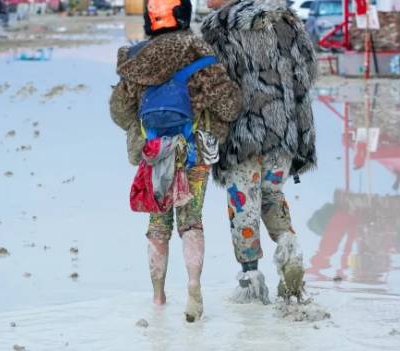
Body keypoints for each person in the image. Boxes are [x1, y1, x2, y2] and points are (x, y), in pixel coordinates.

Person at [110, 0, 241, 322]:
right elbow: (228, 106)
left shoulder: (135, 58)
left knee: (157, 224)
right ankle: (194, 288)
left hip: (154, 154)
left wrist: (143, 132)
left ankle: (157, 298)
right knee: (192, 220)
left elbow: (119, 112)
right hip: (194, 150)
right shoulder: (200, 52)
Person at [201, 0, 318, 303]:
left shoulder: (220, 26)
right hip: (284, 131)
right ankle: (289, 247)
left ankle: (251, 280)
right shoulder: (287, 20)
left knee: (243, 205)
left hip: (242, 135)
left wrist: (209, 134)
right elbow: (307, 76)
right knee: (271, 196)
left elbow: (212, 87)